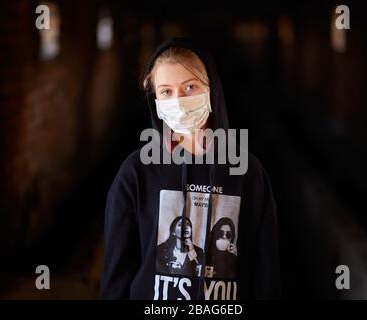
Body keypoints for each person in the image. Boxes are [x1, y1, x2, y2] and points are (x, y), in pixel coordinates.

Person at [100, 37, 279, 300]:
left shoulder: (247, 173)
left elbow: (266, 276)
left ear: (212, 90)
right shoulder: (136, 173)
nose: (178, 101)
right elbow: (116, 277)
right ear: (155, 100)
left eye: (190, 87)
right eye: (166, 92)